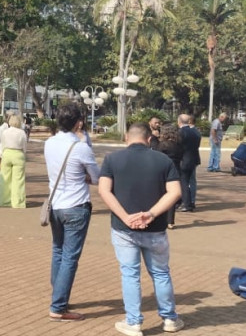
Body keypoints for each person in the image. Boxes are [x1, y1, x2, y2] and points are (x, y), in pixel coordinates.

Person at [98, 122, 184, 336]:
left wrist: (125, 216)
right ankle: (170, 318)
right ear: (149, 139)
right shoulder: (163, 160)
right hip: (155, 228)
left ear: (126, 137)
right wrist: (151, 213)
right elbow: (174, 192)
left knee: (130, 274)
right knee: (161, 273)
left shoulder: (111, 159)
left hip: (123, 228)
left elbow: (104, 191)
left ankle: (134, 322)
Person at [44, 103, 101, 322]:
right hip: (76, 207)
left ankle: (59, 295)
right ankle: (58, 306)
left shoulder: (49, 143)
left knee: (58, 251)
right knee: (69, 257)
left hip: (56, 205)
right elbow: (96, 177)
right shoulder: (80, 147)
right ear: (78, 123)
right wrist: (84, 176)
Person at [156, 123, 183, 229]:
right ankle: (170, 221)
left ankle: (160, 217)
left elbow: (157, 156)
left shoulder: (163, 145)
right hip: (176, 169)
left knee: (160, 194)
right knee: (171, 196)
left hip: (163, 170)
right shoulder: (179, 143)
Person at [0, 114, 27, 208]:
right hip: (18, 154)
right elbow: (24, 146)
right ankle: (18, 203)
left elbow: (2, 145)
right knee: (18, 180)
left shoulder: (5, 132)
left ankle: (4, 201)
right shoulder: (22, 132)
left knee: (4, 179)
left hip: (6, 154)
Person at [177, 114, 200, 212]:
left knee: (184, 182)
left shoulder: (180, 132)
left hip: (183, 160)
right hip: (193, 159)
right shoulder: (195, 132)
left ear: (179, 121)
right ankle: (191, 202)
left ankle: (186, 204)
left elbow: (178, 146)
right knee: (192, 181)